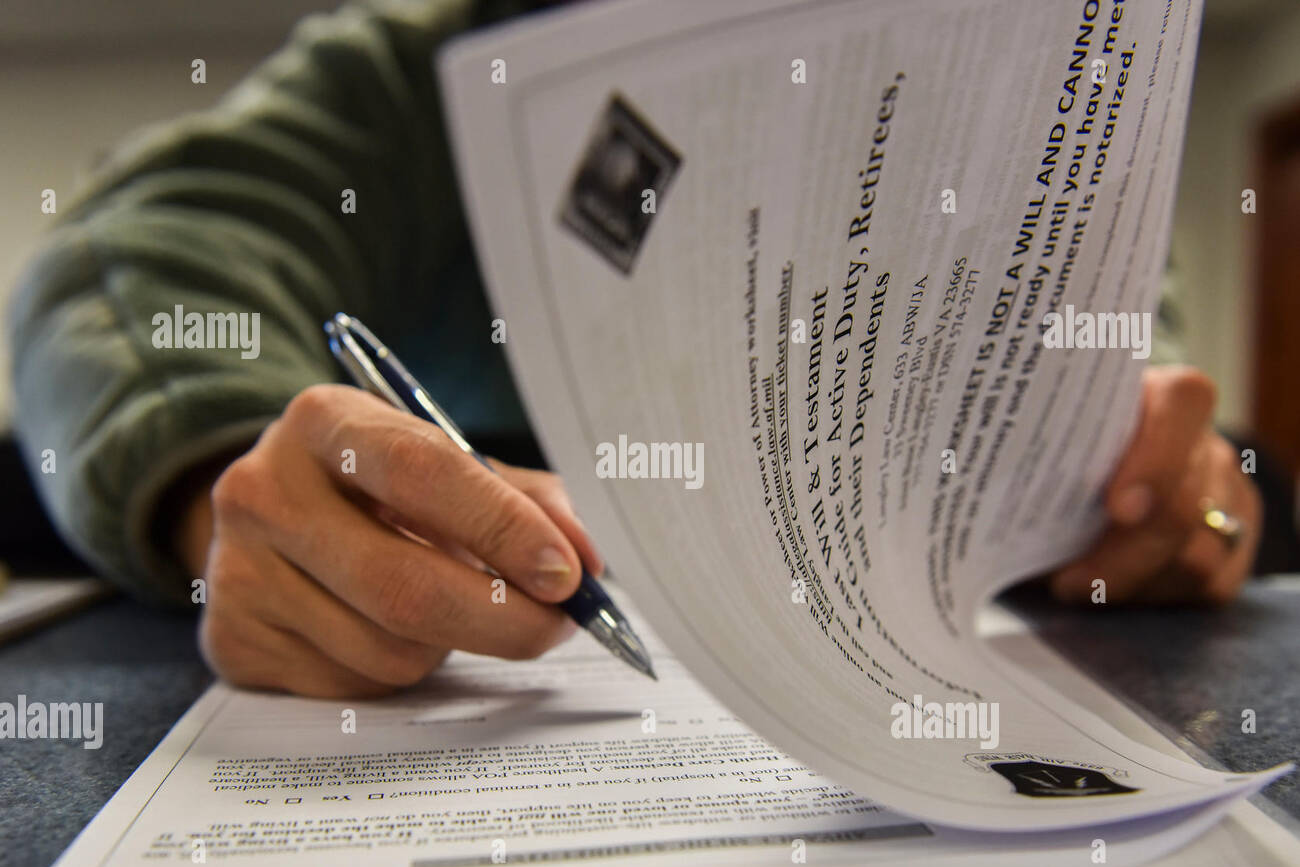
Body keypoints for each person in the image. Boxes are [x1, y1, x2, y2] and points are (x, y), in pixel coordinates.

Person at [5, 0, 1262, 699]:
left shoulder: (1033, 72)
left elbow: (1134, 386)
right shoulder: (423, 73)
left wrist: (1164, 492)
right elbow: (128, 266)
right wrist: (207, 478)